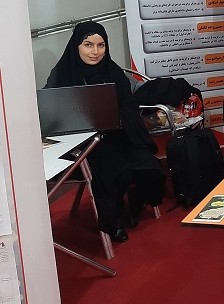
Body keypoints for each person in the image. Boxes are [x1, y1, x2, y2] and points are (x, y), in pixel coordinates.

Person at [45, 21, 165, 242]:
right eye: (88, 45)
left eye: (101, 45)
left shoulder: (113, 71)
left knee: (153, 171)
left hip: (119, 135)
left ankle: (136, 201)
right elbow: (50, 111)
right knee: (118, 173)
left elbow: (129, 105)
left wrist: (118, 118)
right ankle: (114, 219)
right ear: (76, 46)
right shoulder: (62, 74)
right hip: (85, 143)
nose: (95, 51)